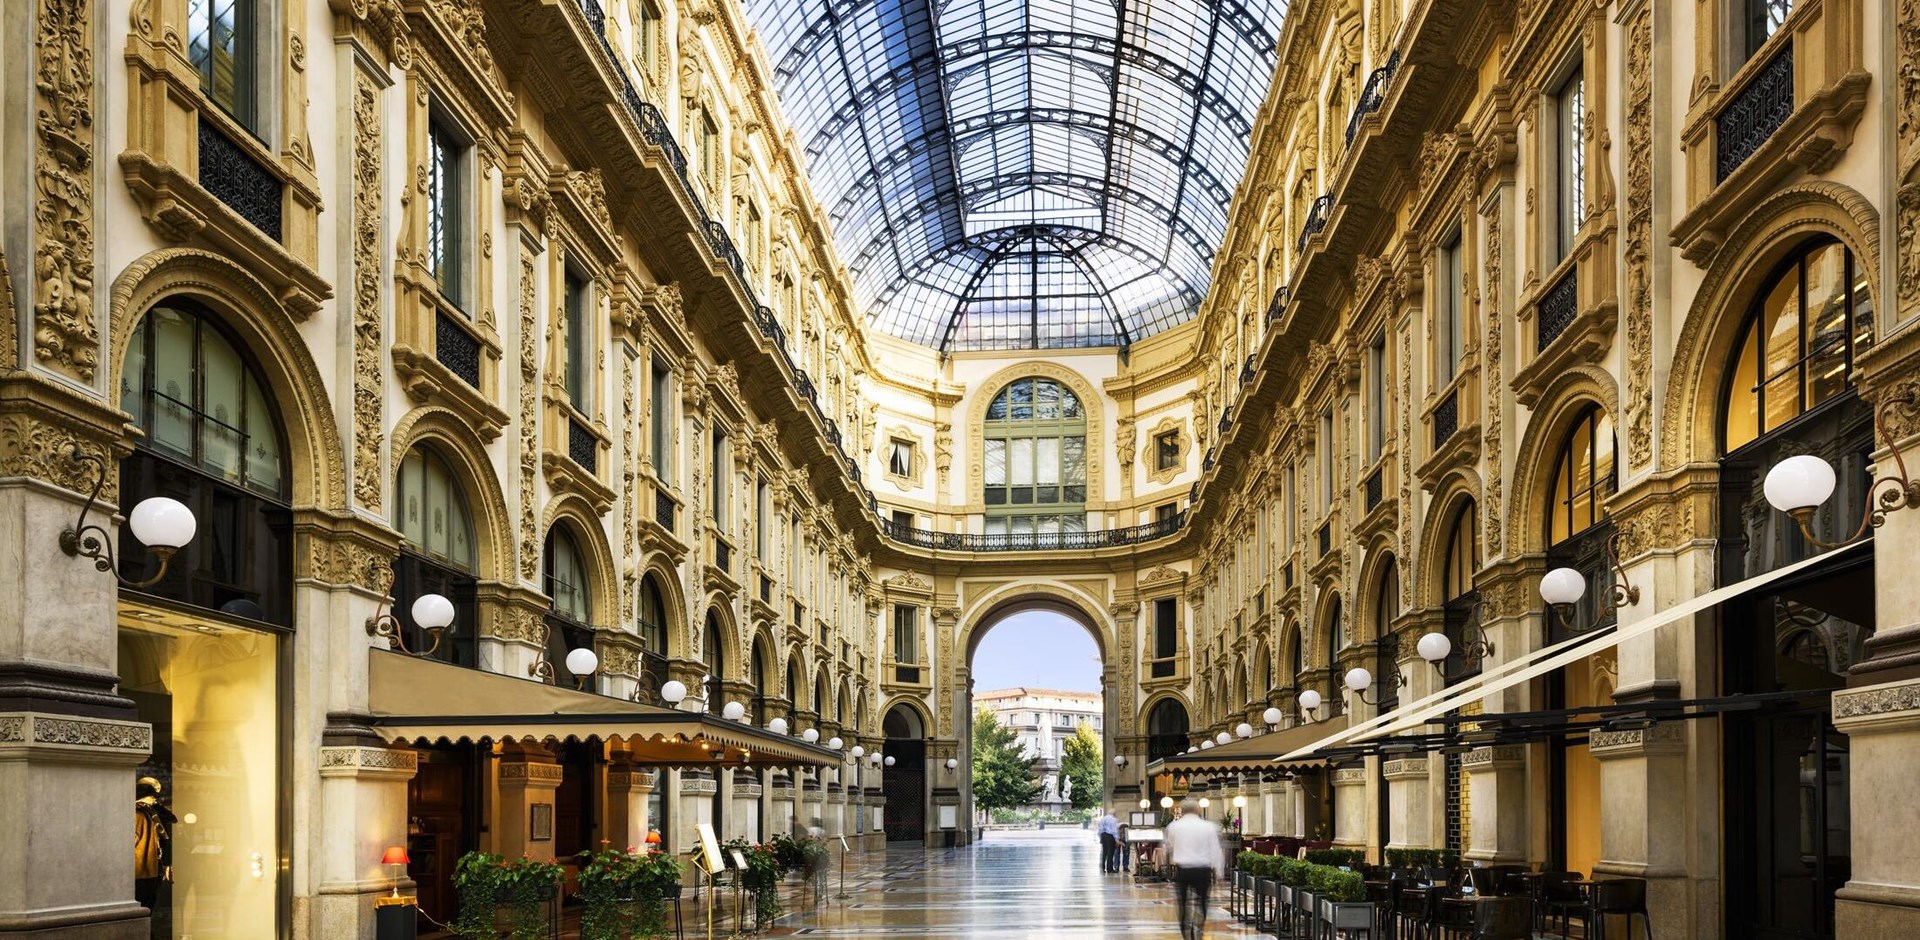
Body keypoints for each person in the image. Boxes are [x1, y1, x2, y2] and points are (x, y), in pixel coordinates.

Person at [1164, 798, 1225, 940]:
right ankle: (1199, 929)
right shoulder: (1208, 827)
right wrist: (1219, 873)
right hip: (1203, 870)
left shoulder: (1174, 827)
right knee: (1202, 901)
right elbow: (1215, 850)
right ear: (1197, 810)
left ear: (1182, 810)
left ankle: (1186, 933)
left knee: (1183, 904)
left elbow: (1169, 846)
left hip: (1183, 870)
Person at [1096, 808, 1121, 872]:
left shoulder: (1103, 819)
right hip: (1110, 836)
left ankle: (1102, 867)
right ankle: (1109, 868)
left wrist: (1100, 836)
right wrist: (1117, 839)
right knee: (1110, 853)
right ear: (1114, 814)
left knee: (1104, 852)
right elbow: (1114, 830)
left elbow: (1100, 829)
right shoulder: (1114, 820)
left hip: (1103, 835)